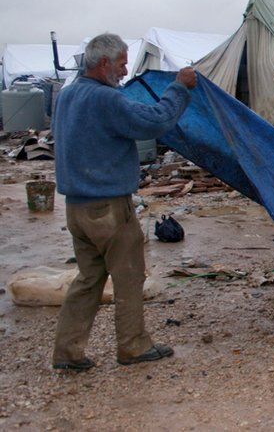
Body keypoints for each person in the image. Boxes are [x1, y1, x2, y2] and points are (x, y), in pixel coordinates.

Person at [51, 33, 198, 370]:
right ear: (103, 64)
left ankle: (67, 352)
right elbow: (156, 121)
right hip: (108, 209)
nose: (125, 69)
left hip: (76, 207)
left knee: (88, 280)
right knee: (129, 276)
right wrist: (179, 87)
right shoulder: (107, 100)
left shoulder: (68, 95)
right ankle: (133, 346)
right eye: (120, 63)